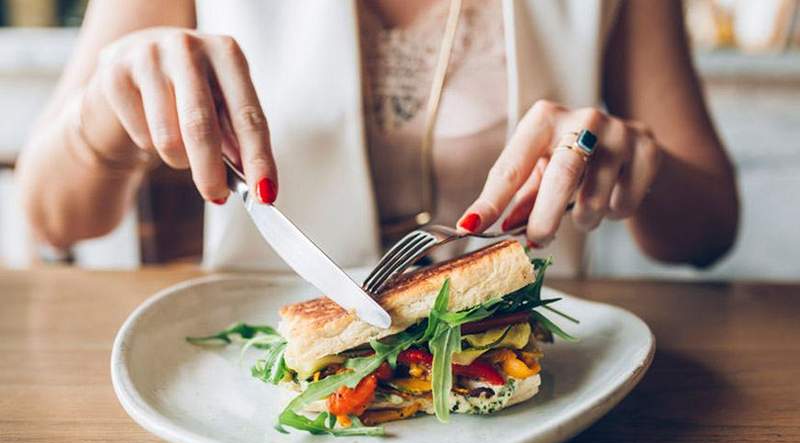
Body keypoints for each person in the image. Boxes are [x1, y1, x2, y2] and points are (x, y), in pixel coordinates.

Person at [16, 0, 739, 275]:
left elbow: (708, 230)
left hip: (532, 388)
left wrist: (636, 166)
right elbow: (52, 218)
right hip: (265, 389)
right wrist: (103, 118)